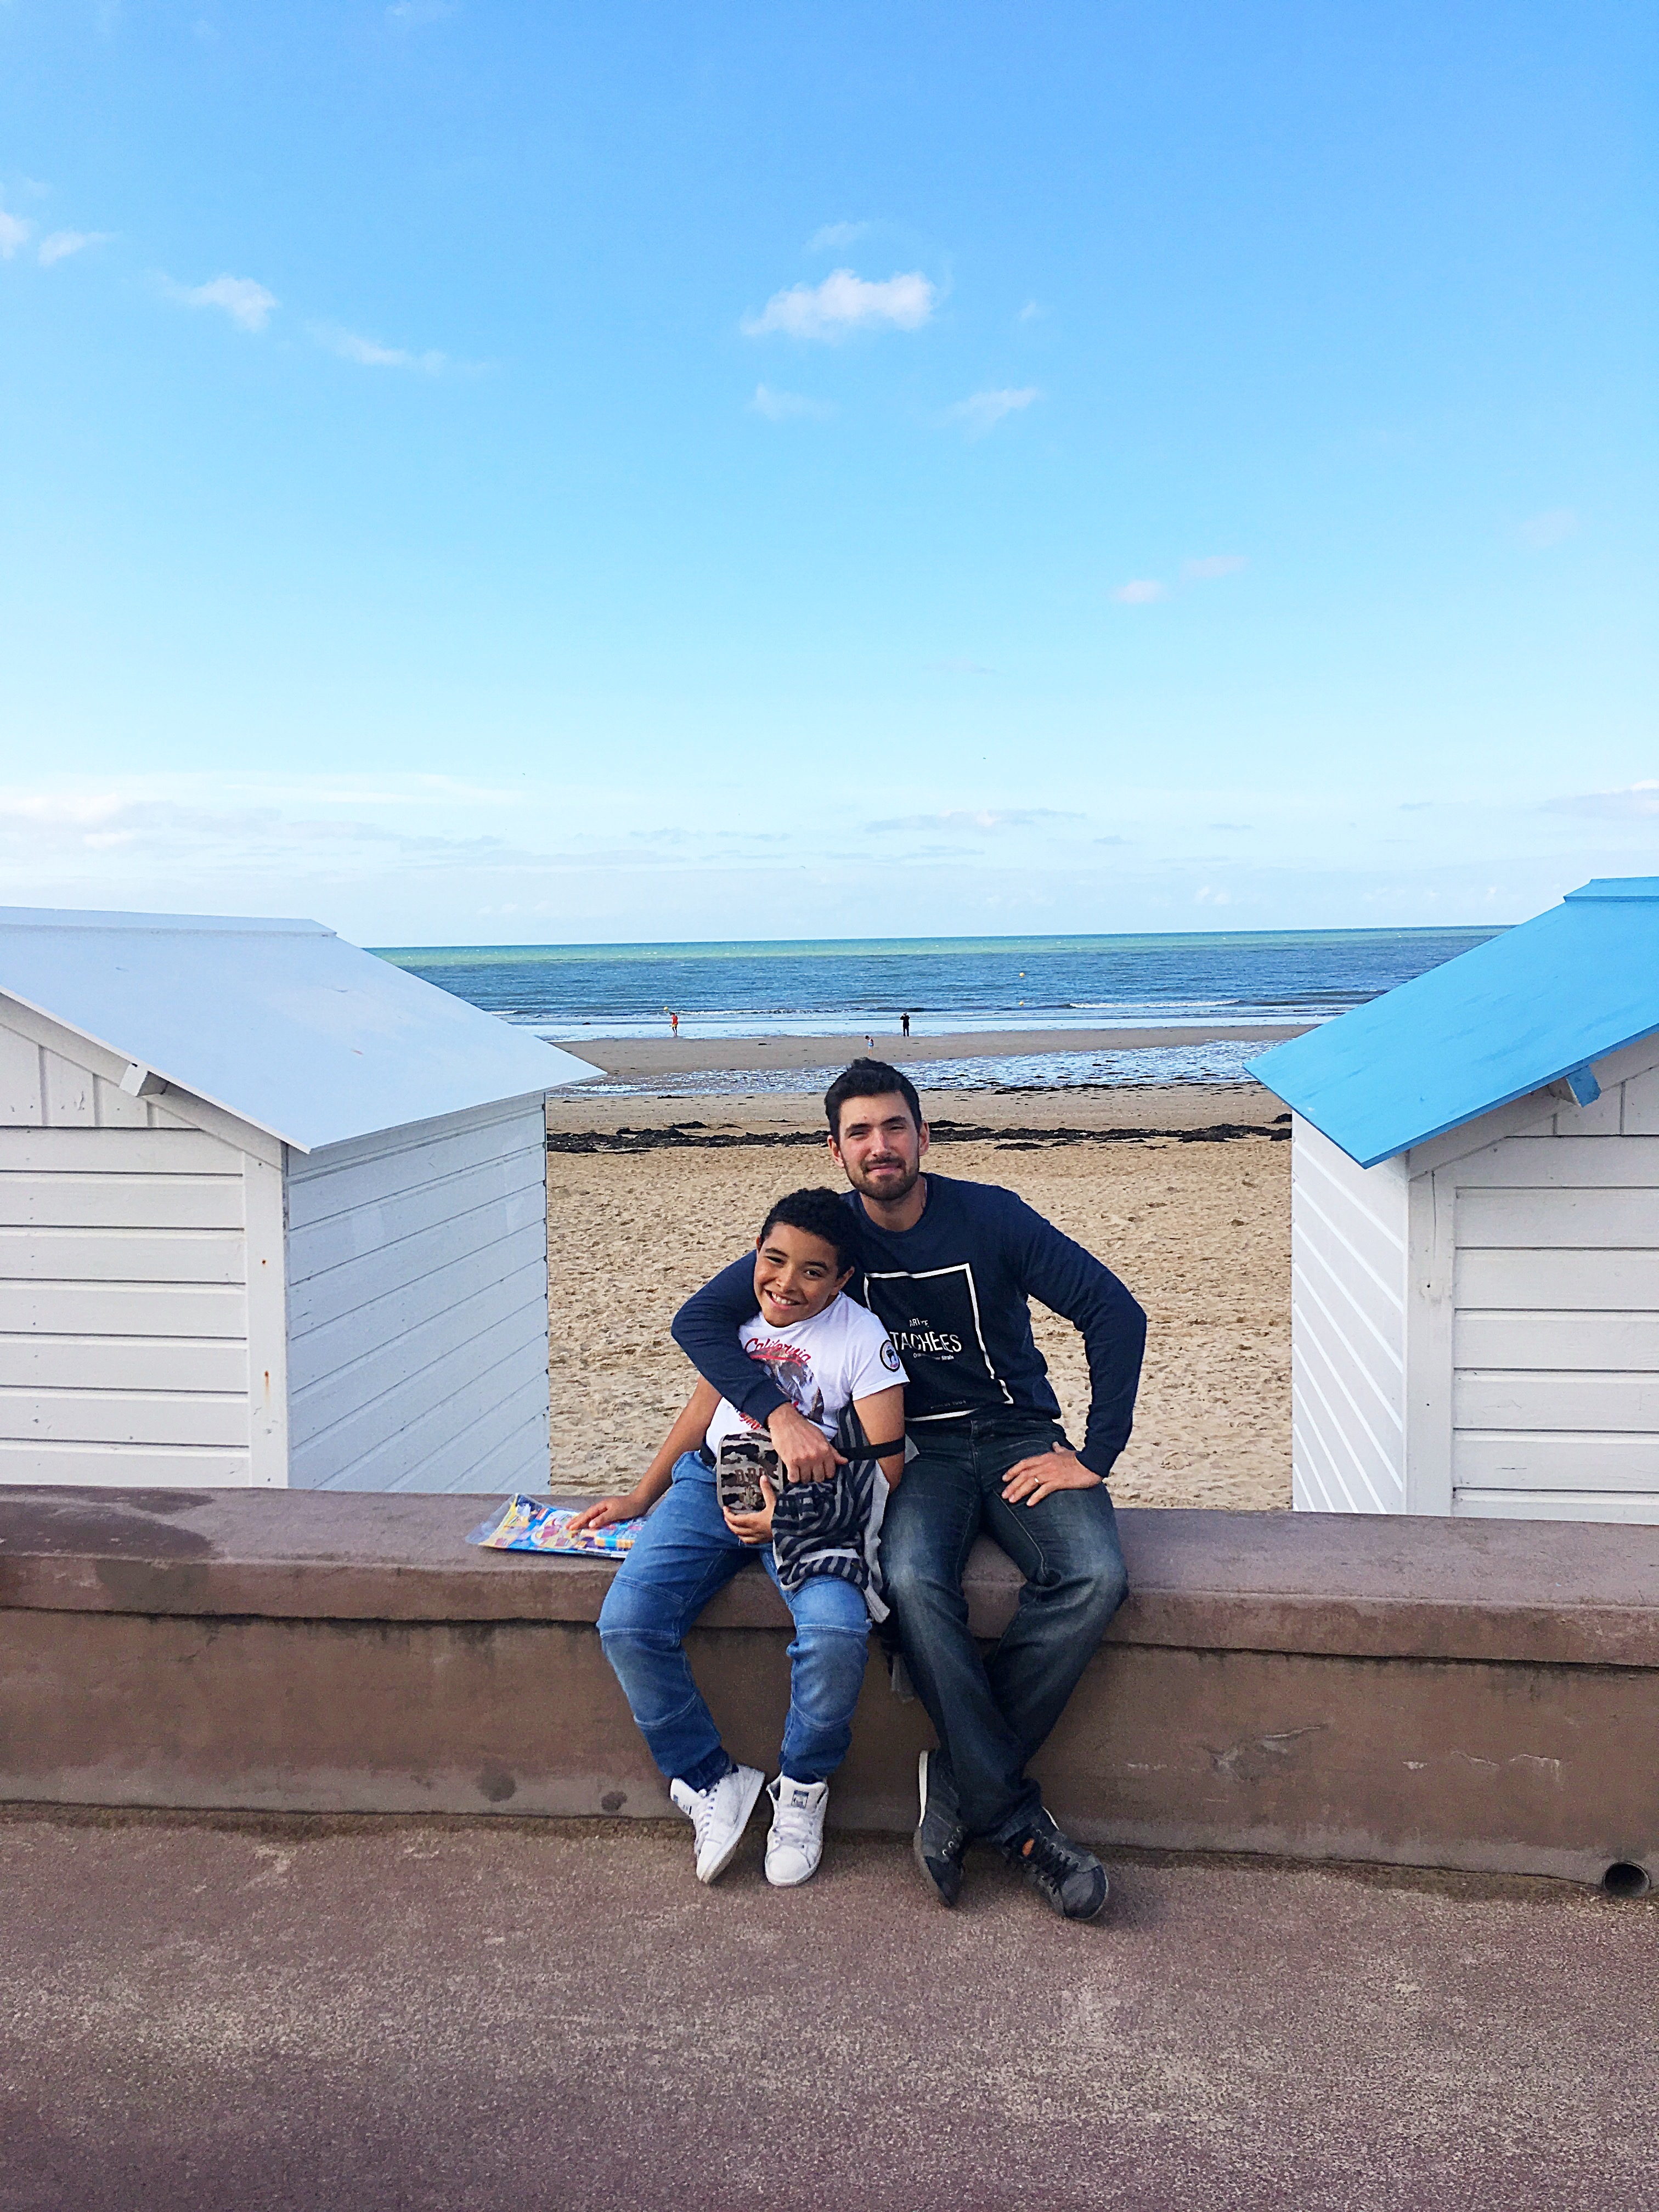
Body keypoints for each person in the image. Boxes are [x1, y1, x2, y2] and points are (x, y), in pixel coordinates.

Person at [673, 1058, 1145, 1923]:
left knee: (1095, 1577)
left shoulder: (992, 1217)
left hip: (1019, 1438)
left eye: (895, 1126)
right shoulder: (828, 1242)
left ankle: (964, 1783)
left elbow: (1115, 1312)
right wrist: (778, 1414)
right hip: (917, 1453)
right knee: (913, 1582)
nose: (880, 1145)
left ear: (924, 1135)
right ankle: (1015, 1821)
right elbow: (700, 1321)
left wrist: (1096, 1454)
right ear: (836, 1150)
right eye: (859, 1132)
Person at [571, 1187, 907, 1889]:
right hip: (711, 1482)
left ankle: (803, 1789)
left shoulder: (862, 1339)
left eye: (813, 1272)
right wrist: (641, 1495)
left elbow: (886, 1468)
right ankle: (708, 1779)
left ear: (842, 1279)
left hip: (811, 1502)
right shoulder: (740, 1319)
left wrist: (789, 1517)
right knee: (628, 1623)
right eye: (774, 1260)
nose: (786, 1283)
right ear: (755, 1252)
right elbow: (703, 1409)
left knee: (836, 1633)